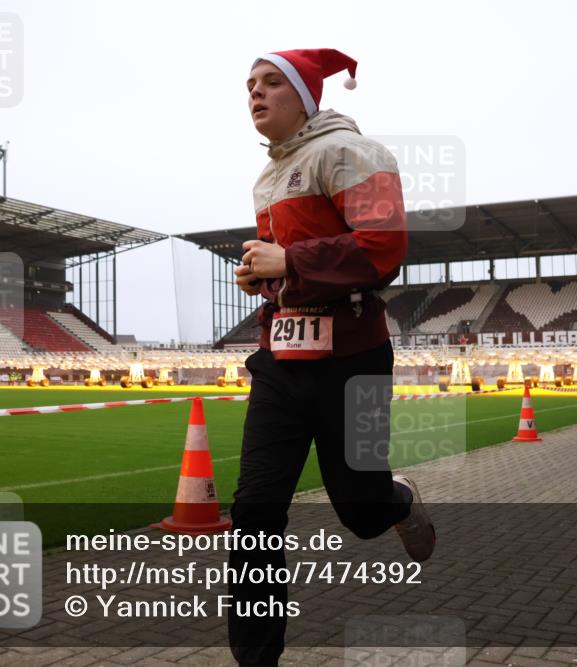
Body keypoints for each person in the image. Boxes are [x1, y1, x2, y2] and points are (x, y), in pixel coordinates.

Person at [230, 48, 435, 666]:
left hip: (356, 363)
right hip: (280, 363)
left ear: (306, 97)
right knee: (254, 513)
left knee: (362, 511)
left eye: (271, 84)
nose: (256, 95)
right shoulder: (267, 176)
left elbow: (381, 248)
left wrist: (288, 260)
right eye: (249, 86)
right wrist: (263, 279)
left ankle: (395, 500)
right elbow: (295, 267)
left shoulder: (353, 153)